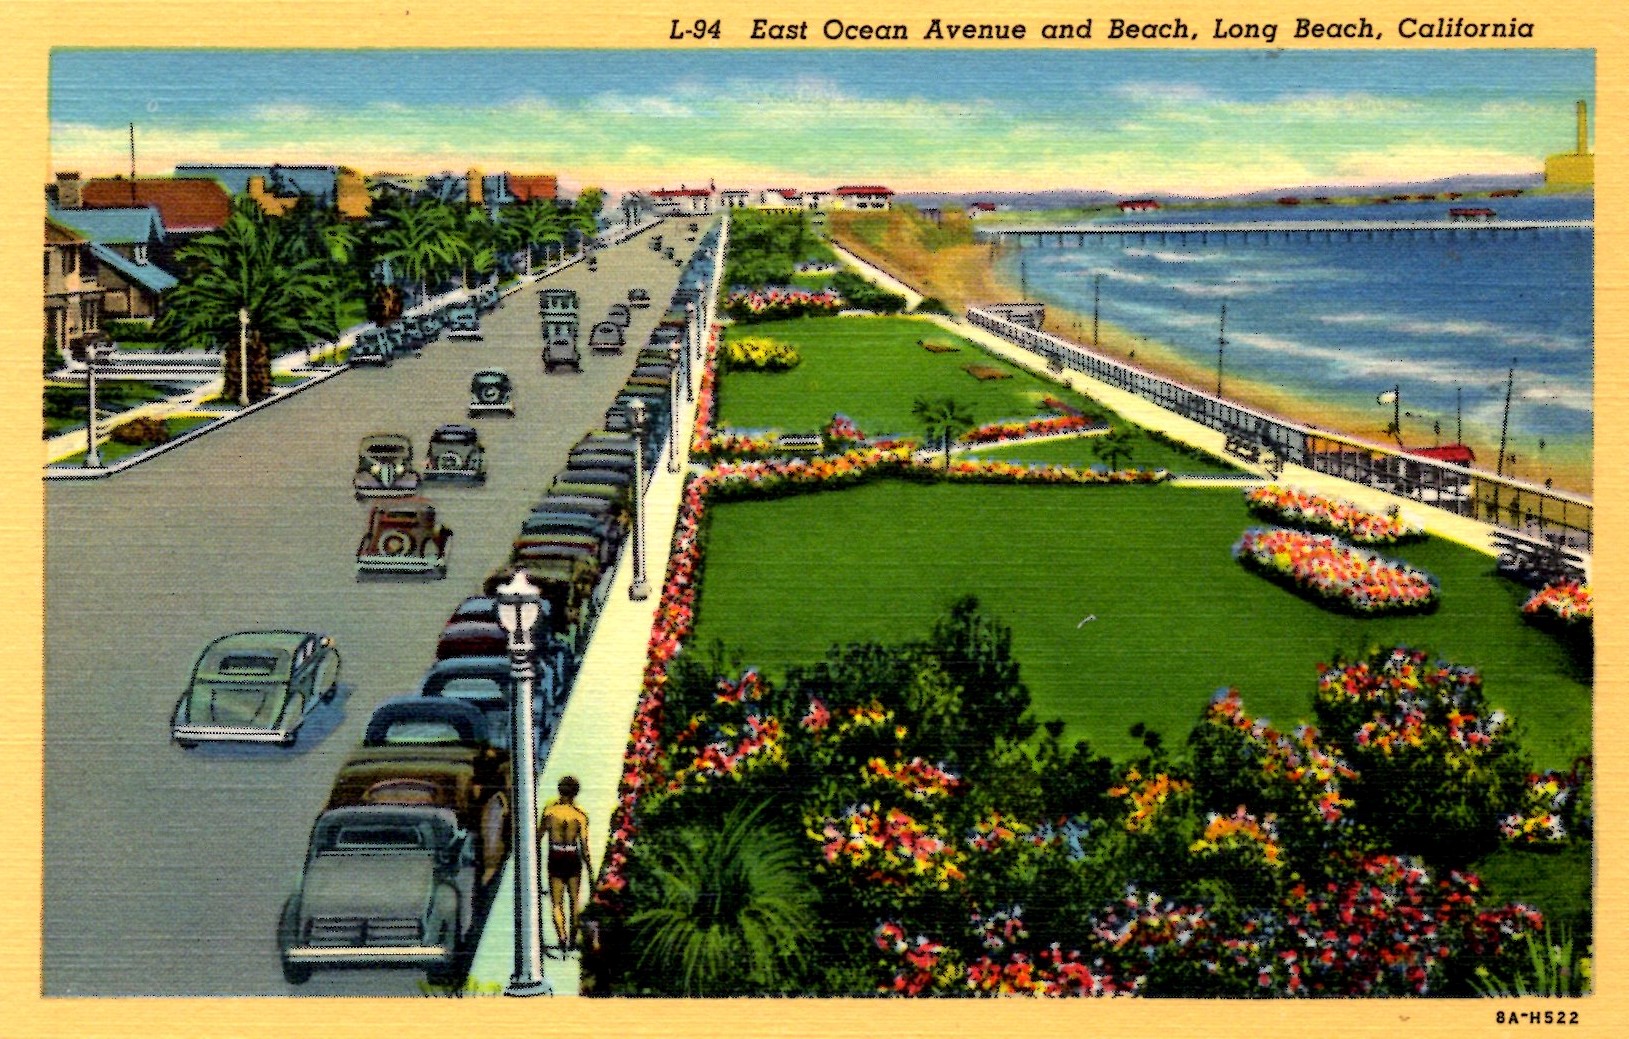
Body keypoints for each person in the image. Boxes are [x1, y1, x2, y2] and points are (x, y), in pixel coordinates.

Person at [542, 775, 591, 955]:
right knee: (574, 901)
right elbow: (585, 846)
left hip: (555, 855)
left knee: (556, 903)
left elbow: (538, 837)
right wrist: (590, 868)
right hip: (572, 855)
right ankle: (572, 938)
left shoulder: (549, 812)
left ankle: (561, 937)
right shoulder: (580, 815)